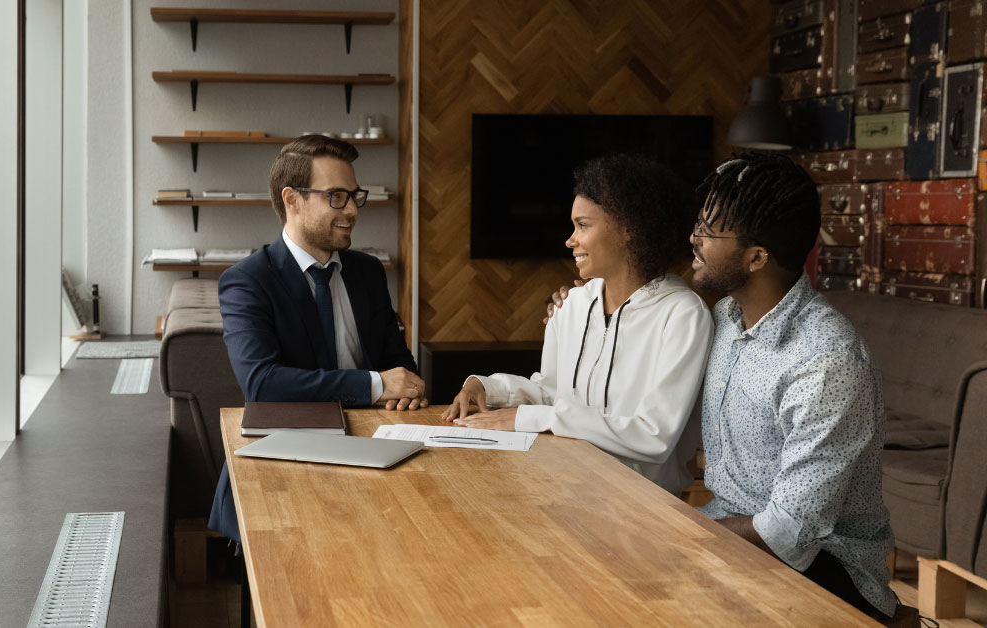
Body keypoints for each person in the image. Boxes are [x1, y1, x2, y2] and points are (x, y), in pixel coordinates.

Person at [550, 153, 904, 624]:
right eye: (698, 225)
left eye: (709, 232)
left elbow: (790, 532)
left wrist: (670, 532)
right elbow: (638, 381)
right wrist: (574, 311)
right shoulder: (723, 321)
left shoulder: (825, 362)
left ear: (757, 257)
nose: (692, 240)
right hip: (725, 532)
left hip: (823, 568)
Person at [443, 154, 714, 494]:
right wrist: (488, 389)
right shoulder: (572, 305)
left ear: (629, 228)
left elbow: (653, 437)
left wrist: (532, 419)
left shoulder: (683, 316)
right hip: (566, 487)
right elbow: (553, 393)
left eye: (583, 226)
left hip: (647, 506)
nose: (570, 240)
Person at [210, 134, 425, 541]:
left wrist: (400, 386)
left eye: (355, 196)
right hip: (283, 465)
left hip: (374, 457)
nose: (353, 210)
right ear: (292, 200)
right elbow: (262, 384)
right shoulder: (247, 282)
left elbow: (402, 367)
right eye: (337, 197)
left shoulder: (367, 272)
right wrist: (375, 384)